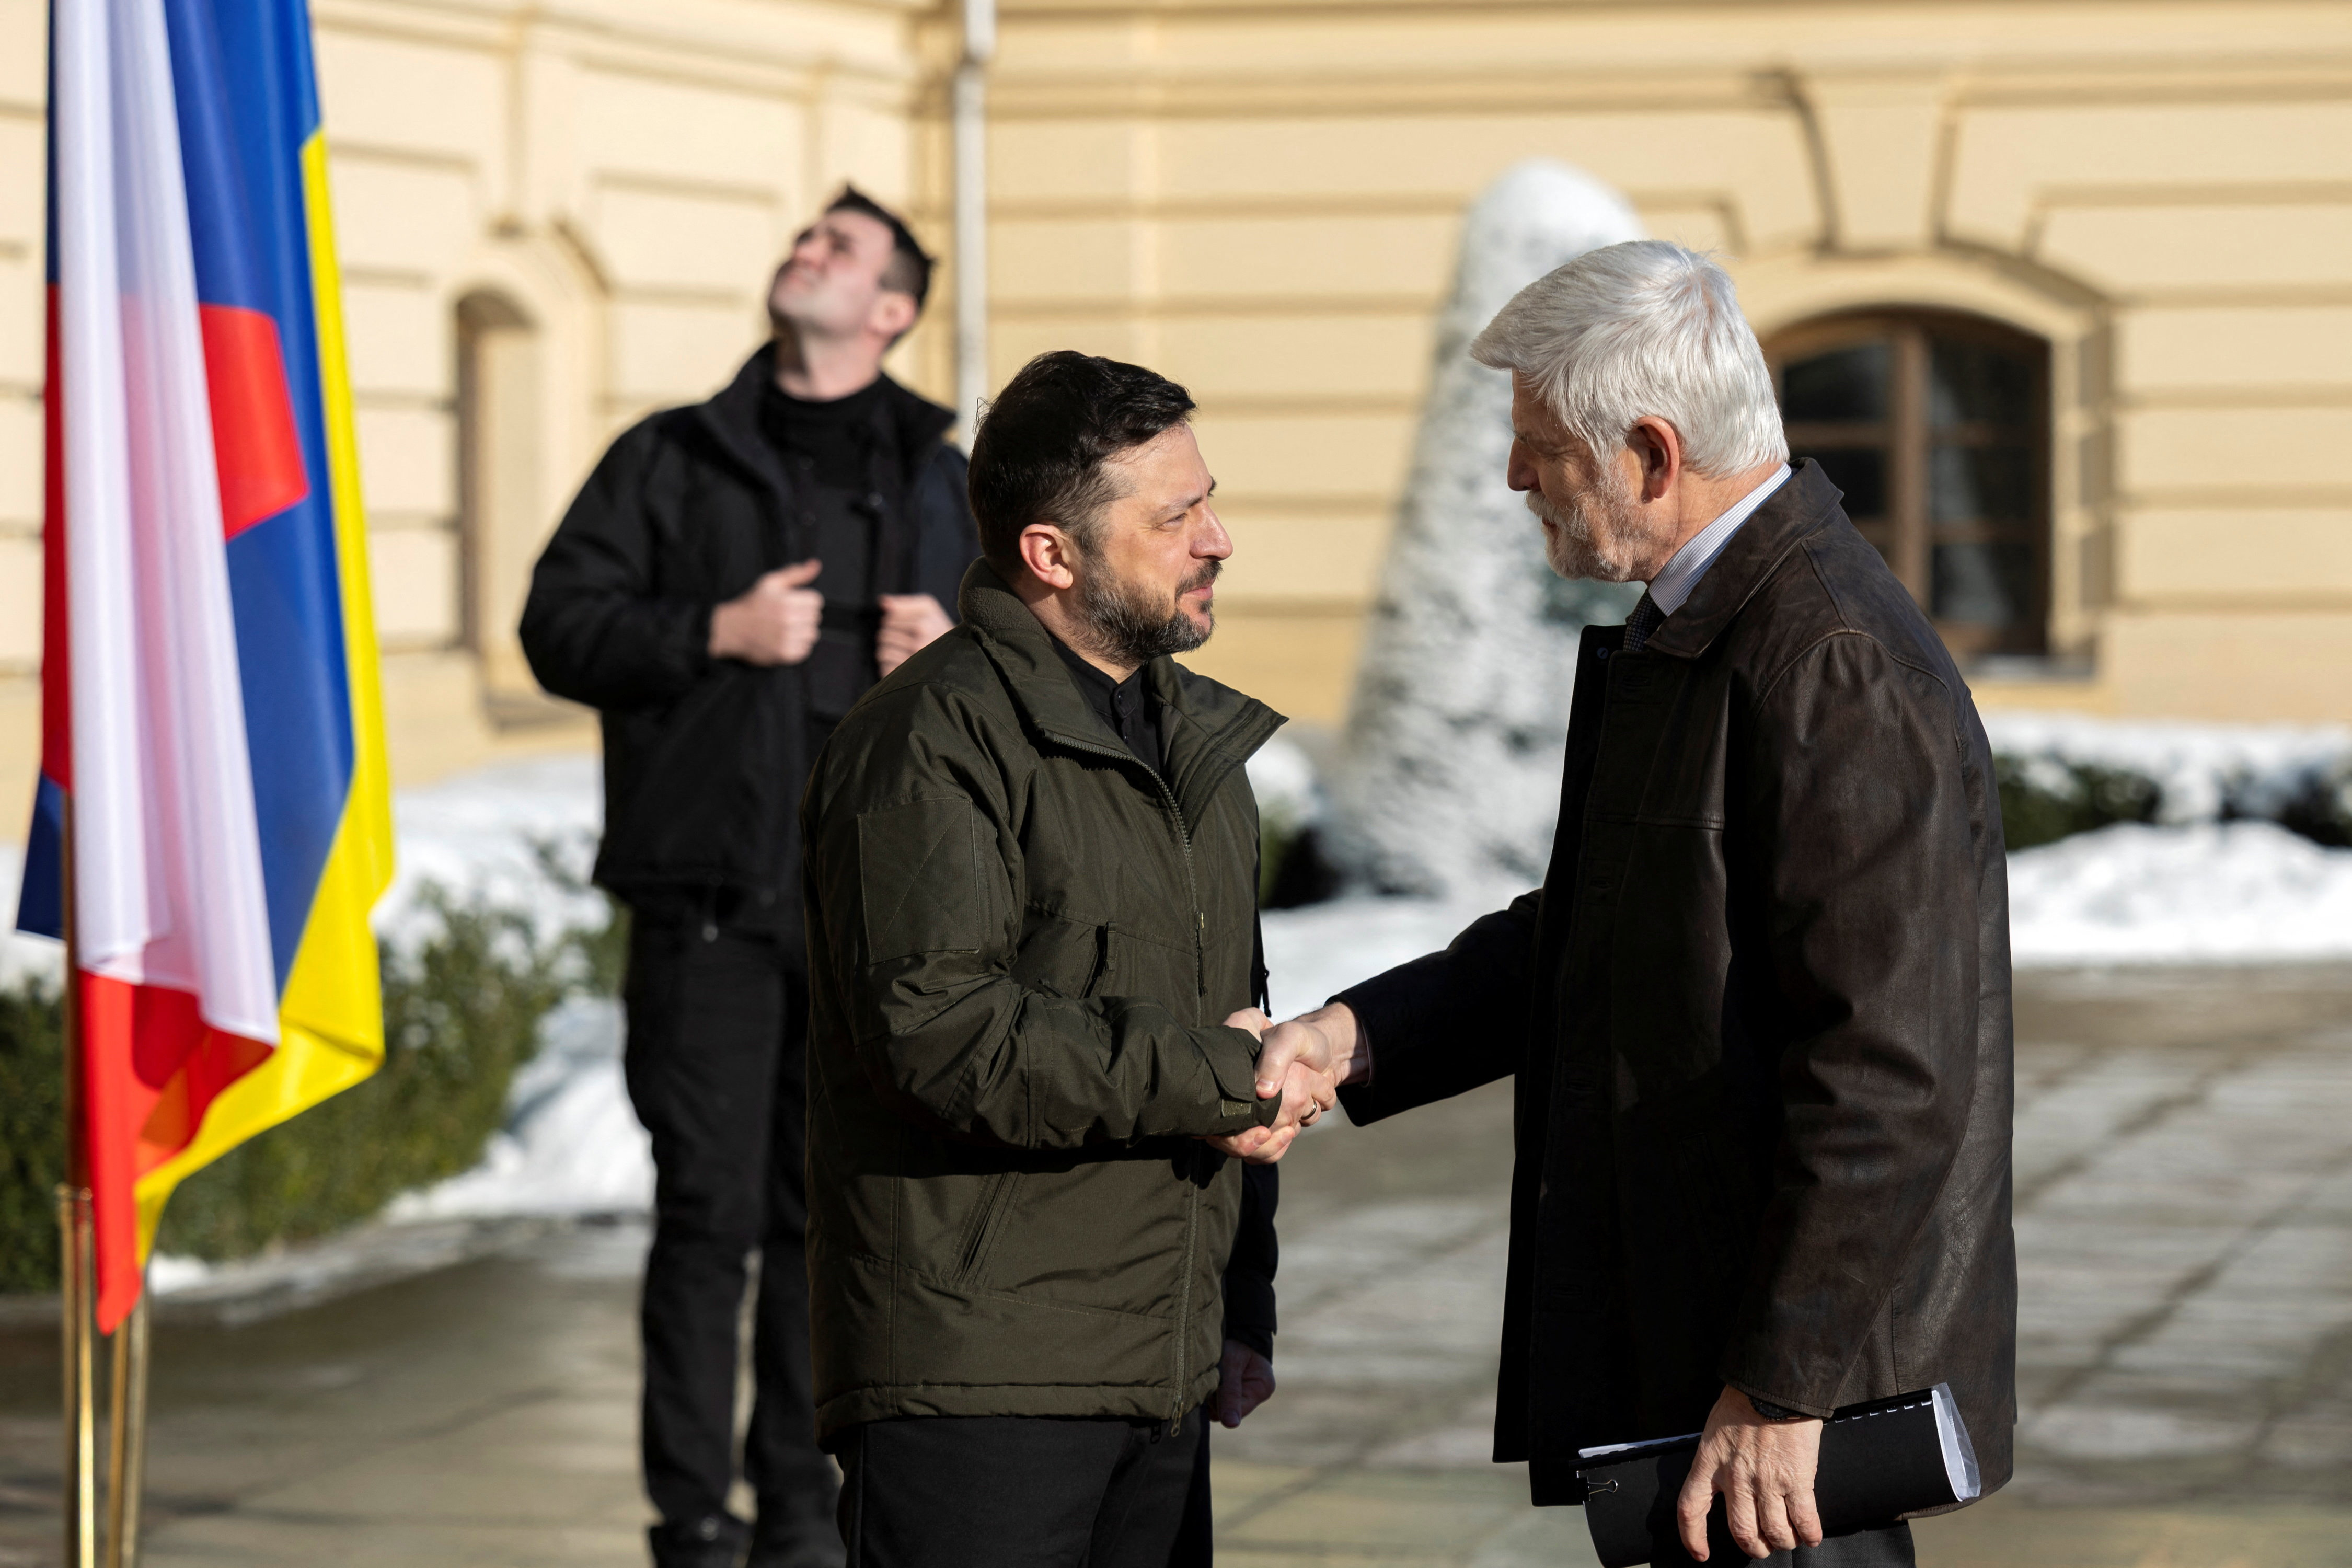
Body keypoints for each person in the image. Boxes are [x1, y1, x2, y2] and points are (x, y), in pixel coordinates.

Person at [1253, 241, 2016, 1566]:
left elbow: (1891, 1074)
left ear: (1653, 455)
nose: (1515, 477)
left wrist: (1782, 1386)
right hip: (1701, 1352)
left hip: (1772, 1409)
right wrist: (1355, 1037)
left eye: (1543, 447)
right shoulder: (1714, 624)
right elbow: (1600, 932)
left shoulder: (1825, 657)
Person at [797, 350, 1332, 1568]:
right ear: (1052, 554)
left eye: (1208, 502)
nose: (1218, 541)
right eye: (1175, 519)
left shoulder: (1197, 744)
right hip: (978, 1384)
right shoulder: (927, 741)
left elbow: (1234, 1017)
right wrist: (1217, 1078)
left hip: (1160, 1369)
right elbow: (943, 1037)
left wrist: (1239, 1303)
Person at [519, 187, 980, 1568]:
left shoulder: (940, 475)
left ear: (890, 311)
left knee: (819, 1225)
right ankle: (689, 1523)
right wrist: (710, 629)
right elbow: (557, 625)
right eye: (806, 238)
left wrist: (952, 649)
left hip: (869, 920)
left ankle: (796, 1514)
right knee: (705, 1221)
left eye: (839, 248)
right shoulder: (670, 457)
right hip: (709, 912)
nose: (805, 252)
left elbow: (1034, 658)